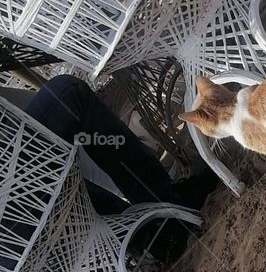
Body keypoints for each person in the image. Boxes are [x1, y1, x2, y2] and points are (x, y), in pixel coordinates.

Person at [26, 74, 219, 260]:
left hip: (13, 255)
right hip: (18, 191)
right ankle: (162, 207)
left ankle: (142, 236)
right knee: (67, 92)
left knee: (36, 177)